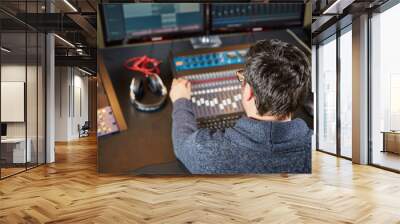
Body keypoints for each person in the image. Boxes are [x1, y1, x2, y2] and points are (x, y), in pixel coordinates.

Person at [169, 39, 312, 174]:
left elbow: (181, 144)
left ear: (249, 92)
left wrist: (181, 100)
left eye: (243, 78)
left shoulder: (209, 152)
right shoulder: (321, 150)